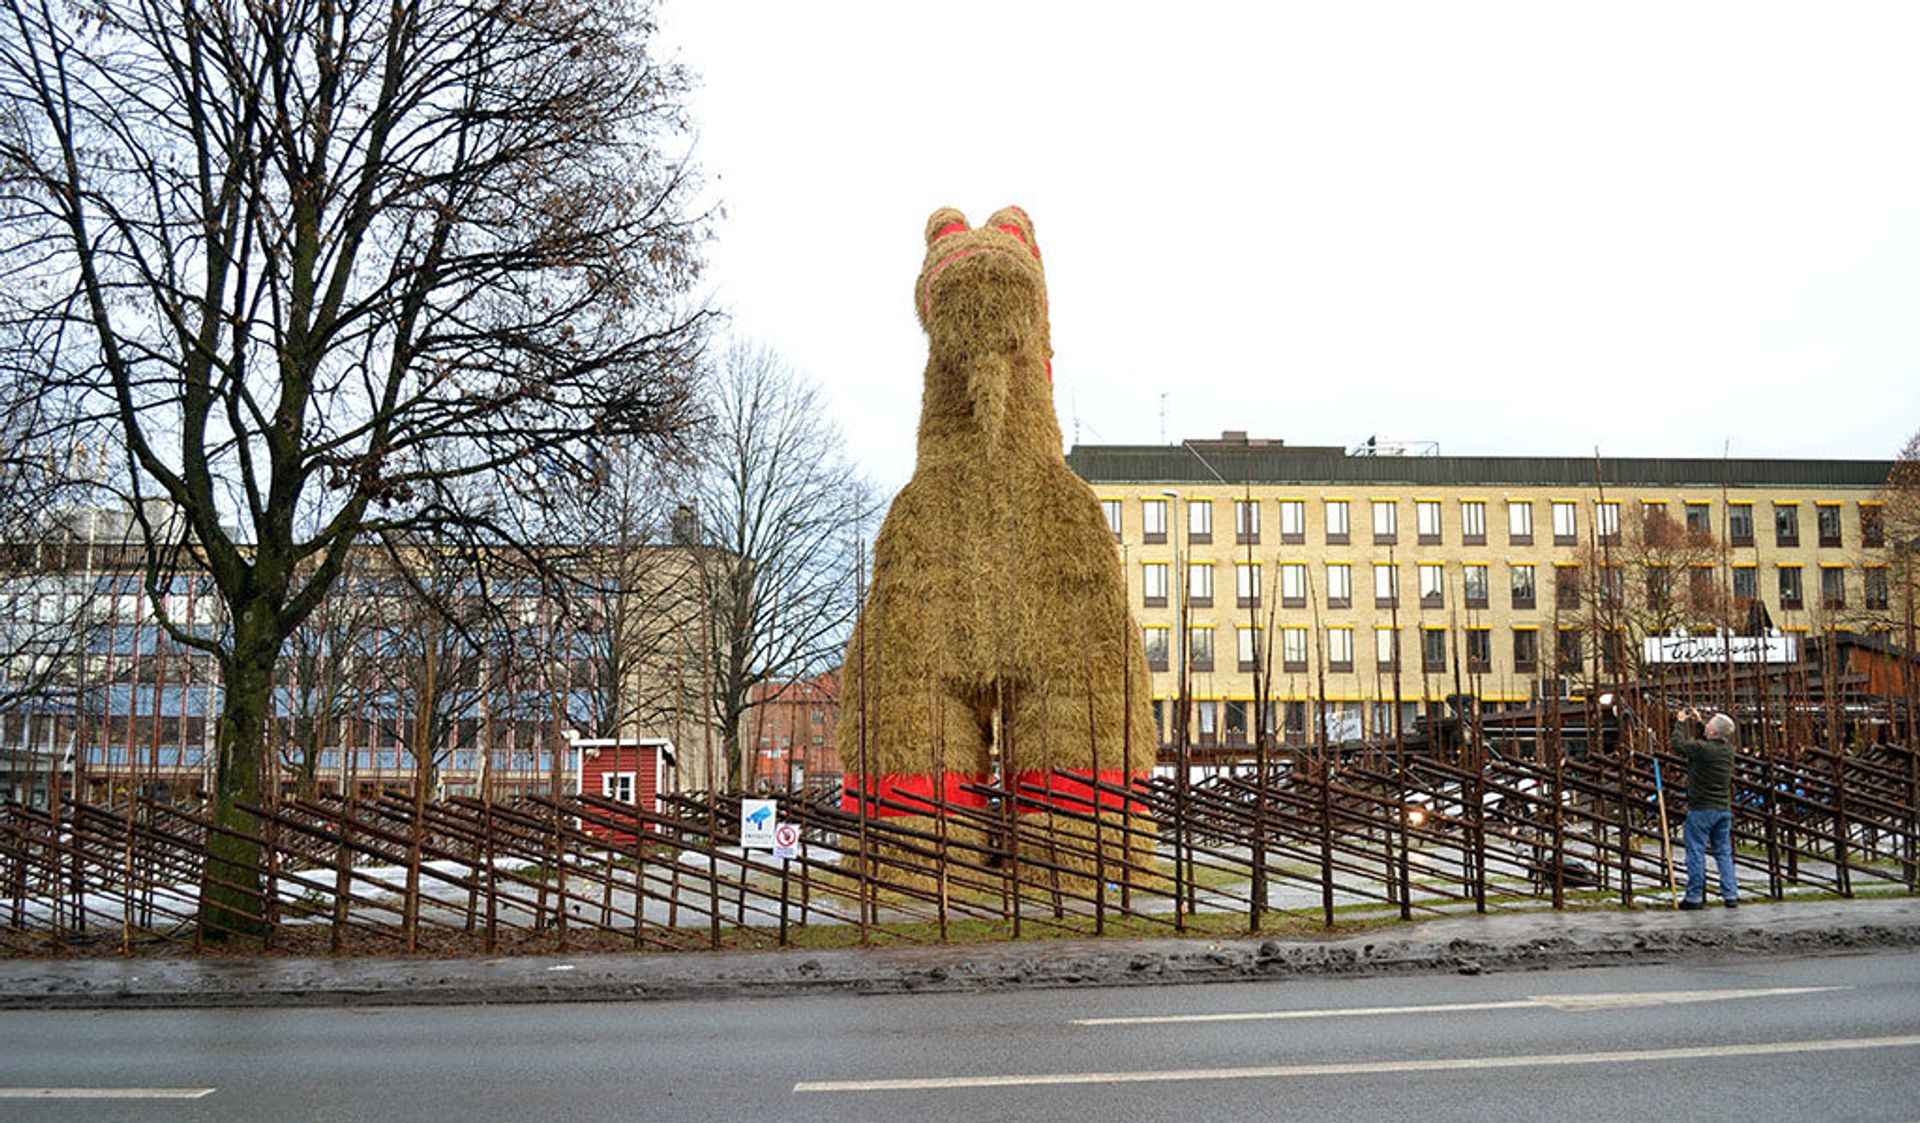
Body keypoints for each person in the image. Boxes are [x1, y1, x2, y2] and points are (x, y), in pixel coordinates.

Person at [1674, 707, 1739, 909]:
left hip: (1701, 809)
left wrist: (1680, 722)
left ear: (1712, 732)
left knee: (1695, 852)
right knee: (1723, 853)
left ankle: (1694, 897)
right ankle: (1730, 894)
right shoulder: (1728, 750)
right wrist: (1700, 721)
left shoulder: (1703, 750)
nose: (1707, 727)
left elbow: (1678, 745)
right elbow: (1710, 739)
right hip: (1722, 808)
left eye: (1709, 725)